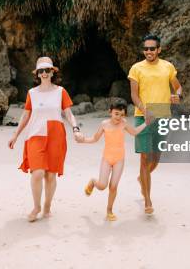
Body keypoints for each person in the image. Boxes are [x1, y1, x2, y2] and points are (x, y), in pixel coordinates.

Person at [8, 56, 82, 222]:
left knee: (50, 175)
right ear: (37, 74)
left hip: (56, 134)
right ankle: (36, 206)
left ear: (52, 72)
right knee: (37, 173)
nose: (44, 73)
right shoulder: (32, 93)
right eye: (41, 70)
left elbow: (68, 113)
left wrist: (76, 129)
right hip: (35, 134)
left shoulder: (60, 91)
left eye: (47, 70)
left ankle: (47, 206)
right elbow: (25, 115)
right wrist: (15, 135)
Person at [128, 34, 183, 215]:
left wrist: (178, 95)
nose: (149, 51)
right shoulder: (136, 68)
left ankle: (141, 179)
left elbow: (178, 86)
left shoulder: (168, 66)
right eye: (146, 49)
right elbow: (134, 95)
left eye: (152, 48)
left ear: (159, 49)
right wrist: (144, 110)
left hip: (162, 115)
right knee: (145, 158)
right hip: (143, 116)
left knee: (155, 158)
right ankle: (148, 200)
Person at [77, 99, 148, 221]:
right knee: (102, 185)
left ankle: (109, 210)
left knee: (113, 187)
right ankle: (93, 182)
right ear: (110, 112)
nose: (118, 117)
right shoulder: (104, 124)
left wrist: (146, 123)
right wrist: (83, 140)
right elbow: (95, 139)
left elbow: (135, 132)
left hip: (119, 159)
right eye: (116, 113)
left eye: (121, 114)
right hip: (107, 158)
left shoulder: (124, 124)